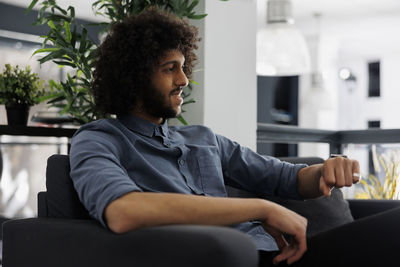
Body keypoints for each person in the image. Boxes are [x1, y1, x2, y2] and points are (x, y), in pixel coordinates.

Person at [69, 9, 399, 267]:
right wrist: (258, 208)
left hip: (282, 256)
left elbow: (285, 177)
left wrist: (326, 170)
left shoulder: (202, 139)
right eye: (170, 68)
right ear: (135, 76)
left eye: (184, 67)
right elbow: (123, 211)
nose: (184, 80)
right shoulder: (99, 139)